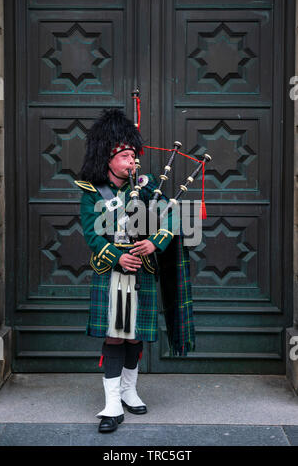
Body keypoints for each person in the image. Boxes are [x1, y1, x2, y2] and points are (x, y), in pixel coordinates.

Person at [75, 109, 195, 433]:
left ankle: (129, 390)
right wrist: (117, 256)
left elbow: (171, 216)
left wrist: (155, 243)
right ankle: (112, 403)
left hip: (141, 268)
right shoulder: (91, 191)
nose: (131, 160)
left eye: (133, 154)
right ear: (107, 157)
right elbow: (91, 233)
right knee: (115, 335)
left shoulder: (146, 185)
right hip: (111, 273)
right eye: (125, 155)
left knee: (135, 335)